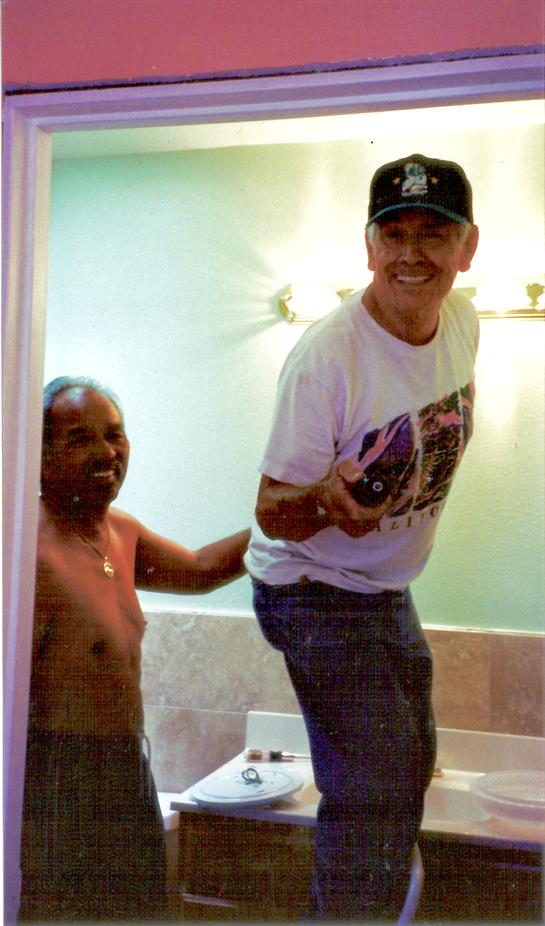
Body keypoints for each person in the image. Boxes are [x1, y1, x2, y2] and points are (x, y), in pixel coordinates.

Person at [245, 153, 480, 920]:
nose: (412, 253)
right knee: (374, 792)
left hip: (382, 589)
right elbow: (271, 510)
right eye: (394, 233)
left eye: (432, 234)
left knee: (409, 769)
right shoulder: (327, 358)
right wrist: (323, 499)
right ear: (369, 247)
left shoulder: (462, 320)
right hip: (308, 587)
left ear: (466, 246)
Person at [20, 376, 250, 922]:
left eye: (114, 434)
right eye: (80, 438)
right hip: (57, 779)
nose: (106, 453)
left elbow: (201, 569)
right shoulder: (23, 542)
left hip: (127, 768)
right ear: (42, 456)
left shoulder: (120, 532)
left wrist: (290, 516)